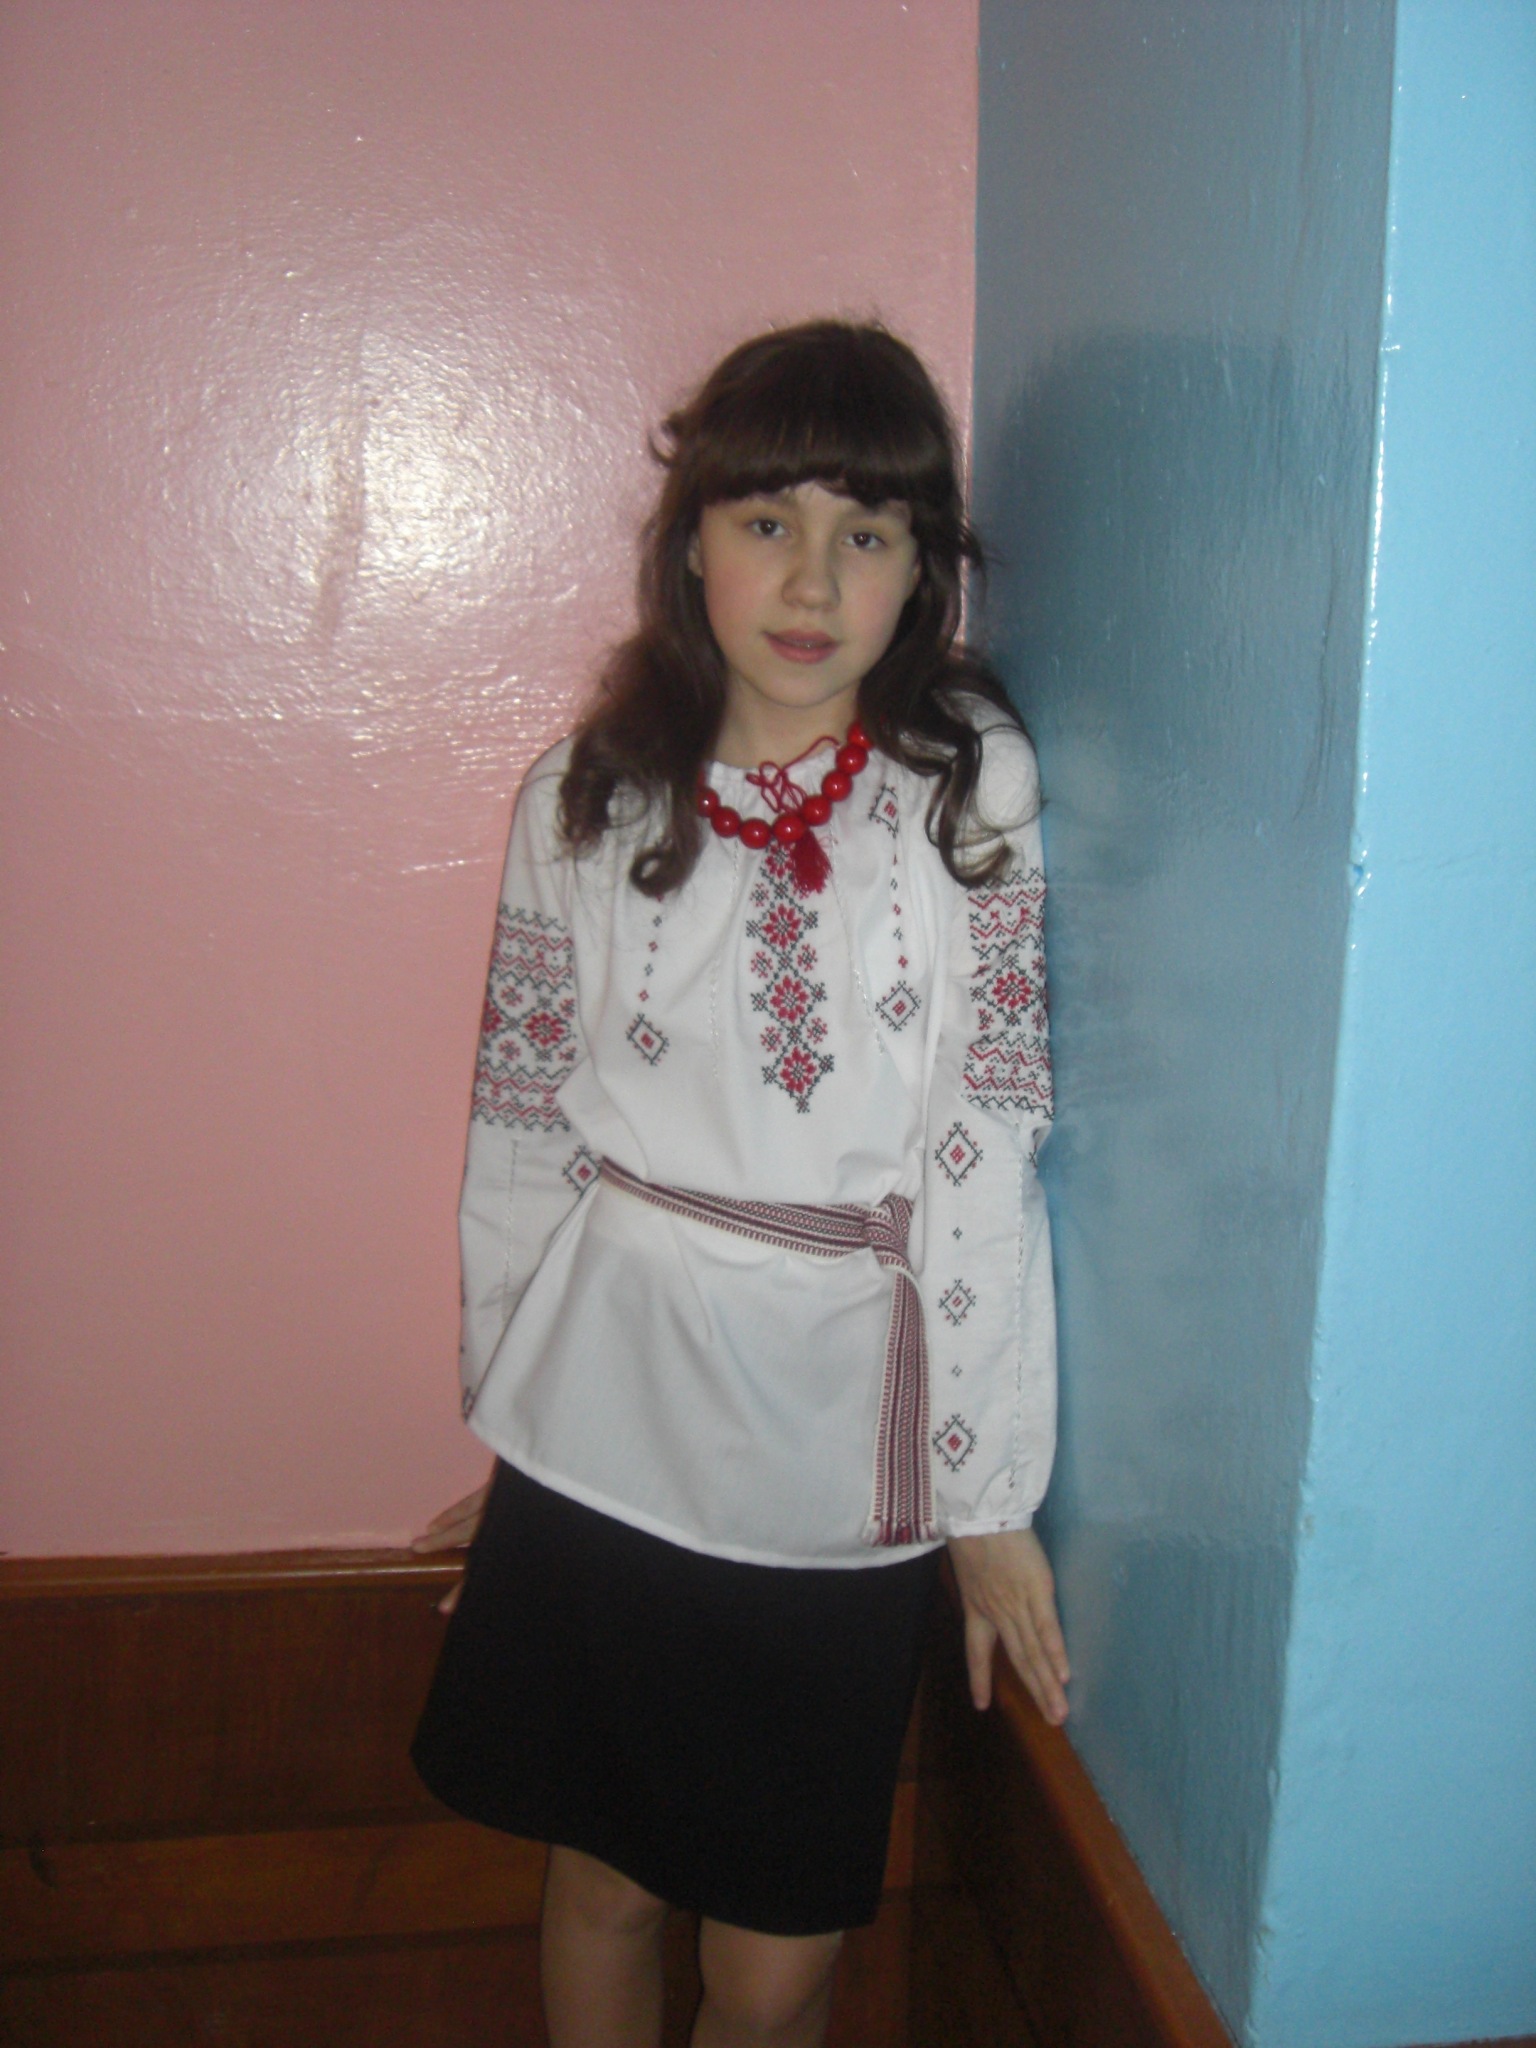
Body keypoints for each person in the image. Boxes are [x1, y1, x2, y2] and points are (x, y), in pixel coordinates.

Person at [410, 319, 1069, 2048]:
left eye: (868, 531)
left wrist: (988, 1498)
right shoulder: (584, 799)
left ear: (923, 569)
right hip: (600, 1417)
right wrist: (514, 1413)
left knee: (777, 1965)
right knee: (606, 1884)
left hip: (832, 1442)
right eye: (767, 520)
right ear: (690, 538)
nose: (812, 580)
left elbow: (986, 1139)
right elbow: (521, 1128)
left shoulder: (966, 791)